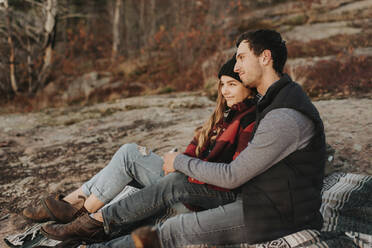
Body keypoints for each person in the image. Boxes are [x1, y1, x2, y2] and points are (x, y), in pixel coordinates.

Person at [25, 56, 257, 246]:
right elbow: (195, 150)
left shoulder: (249, 121)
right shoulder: (227, 115)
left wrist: (181, 166)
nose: (225, 91)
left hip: (197, 197)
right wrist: (179, 160)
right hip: (187, 181)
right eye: (223, 84)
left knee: (141, 161)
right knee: (130, 152)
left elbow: (229, 175)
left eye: (232, 84)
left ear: (248, 85)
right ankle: (74, 207)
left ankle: (81, 215)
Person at [127, 29, 326, 248]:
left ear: (265, 57)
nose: (237, 66)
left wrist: (178, 161)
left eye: (241, 57)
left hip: (276, 217)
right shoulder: (273, 101)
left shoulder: (283, 116)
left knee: (174, 229)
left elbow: (232, 176)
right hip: (259, 200)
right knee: (170, 190)